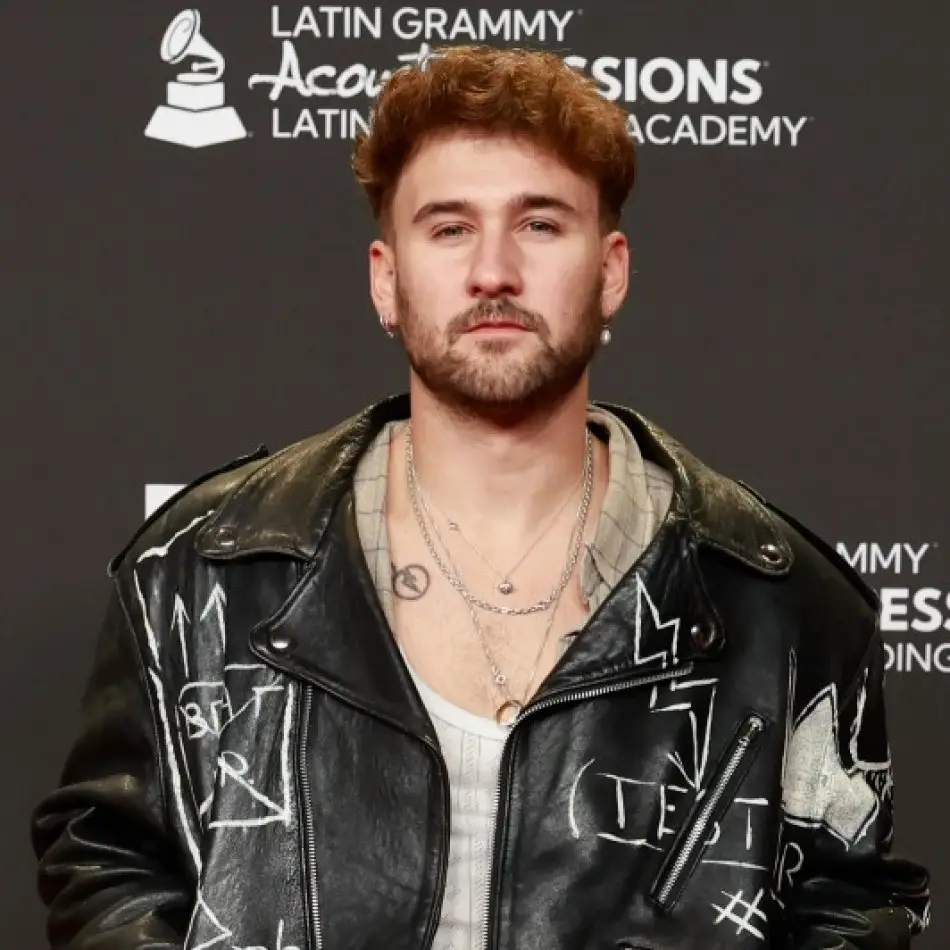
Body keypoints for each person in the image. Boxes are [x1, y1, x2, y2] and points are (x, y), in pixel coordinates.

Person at [32, 44, 929, 950]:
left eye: (539, 224)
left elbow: (850, 901)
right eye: (450, 228)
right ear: (387, 278)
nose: (493, 271)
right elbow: (107, 859)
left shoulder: (781, 604)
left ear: (611, 271)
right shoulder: (202, 566)